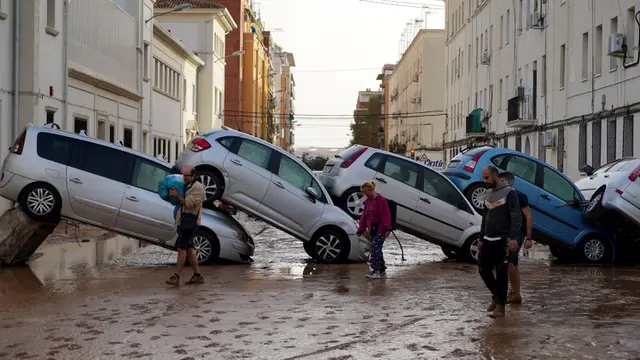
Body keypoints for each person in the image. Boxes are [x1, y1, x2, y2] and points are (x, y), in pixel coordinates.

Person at [478, 165, 522, 318]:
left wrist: (513, 238)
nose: (485, 181)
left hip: (503, 240)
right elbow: (485, 217)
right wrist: (480, 238)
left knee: (502, 272)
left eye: (487, 178)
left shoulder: (510, 193)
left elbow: (516, 217)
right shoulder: (487, 194)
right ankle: (497, 296)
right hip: (488, 239)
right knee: (483, 270)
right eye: (483, 178)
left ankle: (501, 307)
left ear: (495, 175)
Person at [165, 166, 206, 286]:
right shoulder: (186, 185)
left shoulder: (198, 188)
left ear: (193, 176)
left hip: (190, 222)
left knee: (181, 248)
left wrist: (177, 195)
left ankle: (176, 276)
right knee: (189, 249)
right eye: (183, 175)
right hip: (183, 221)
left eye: (186, 176)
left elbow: (188, 203)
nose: (184, 178)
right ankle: (197, 275)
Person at [499, 171, 533, 304]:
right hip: (507, 233)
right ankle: (516, 294)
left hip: (518, 233)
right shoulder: (501, 196)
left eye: (504, 181)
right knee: (514, 264)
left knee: (508, 263)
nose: (502, 184)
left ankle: (514, 293)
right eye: (500, 181)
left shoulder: (519, 196)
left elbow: (528, 216)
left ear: (511, 182)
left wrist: (528, 238)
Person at [356, 180, 392, 279]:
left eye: (365, 192)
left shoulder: (381, 200)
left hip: (381, 229)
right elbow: (364, 216)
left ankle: (375, 270)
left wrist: (387, 228)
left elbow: (386, 214)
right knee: (377, 249)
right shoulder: (368, 201)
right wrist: (361, 229)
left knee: (375, 248)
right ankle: (382, 269)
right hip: (372, 229)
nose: (365, 195)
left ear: (370, 190)